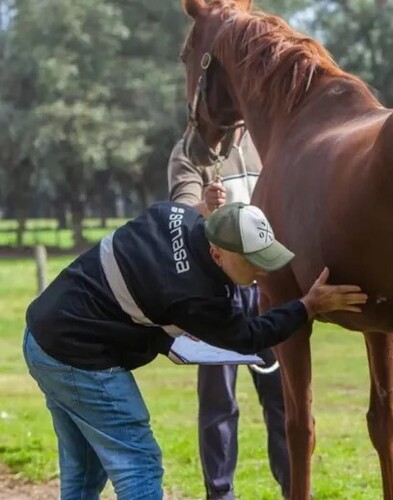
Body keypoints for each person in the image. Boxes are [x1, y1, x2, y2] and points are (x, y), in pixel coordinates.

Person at [23, 201, 367, 500]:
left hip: (42, 335)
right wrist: (308, 305)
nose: (263, 270)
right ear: (217, 253)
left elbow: (151, 273)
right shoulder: (198, 295)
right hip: (76, 355)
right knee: (139, 463)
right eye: (252, 262)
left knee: (84, 470)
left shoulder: (173, 213)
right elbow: (250, 336)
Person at [167, 131, 290, 499]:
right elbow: (181, 216)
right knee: (219, 402)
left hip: (268, 283)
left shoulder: (269, 140)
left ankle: (295, 487)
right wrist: (205, 206)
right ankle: (220, 495)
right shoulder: (191, 151)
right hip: (217, 291)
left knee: (283, 398)